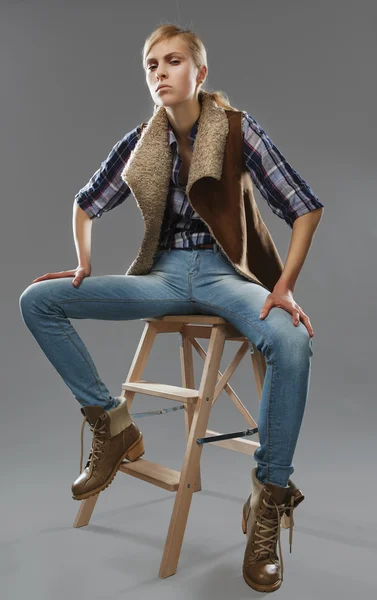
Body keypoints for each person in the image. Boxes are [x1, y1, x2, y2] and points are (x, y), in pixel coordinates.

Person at [19, 23, 324, 593]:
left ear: (199, 72)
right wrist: (82, 263)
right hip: (160, 279)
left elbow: (304, 207)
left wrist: (281, 286)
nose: (160, 72)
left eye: (173, 61)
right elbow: (86, 204)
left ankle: (268, 496)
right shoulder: (142, 143)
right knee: (38, 300)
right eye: (151, 65)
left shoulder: (235, 129)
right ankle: (113, 428)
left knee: (292, 340)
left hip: (224, 274)